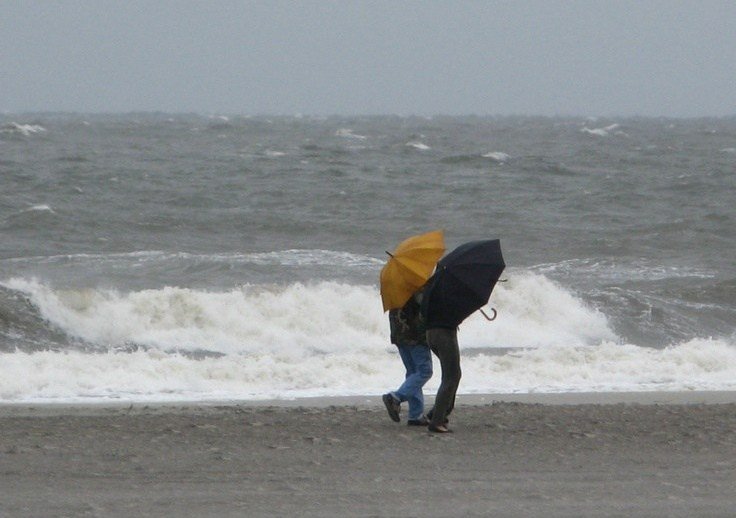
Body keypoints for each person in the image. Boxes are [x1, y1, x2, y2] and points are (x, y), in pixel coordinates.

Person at [382, 288, 433, 426]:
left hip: (399, 332)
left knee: (412, 372)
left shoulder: (396, 284)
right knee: (424, 371)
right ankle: (396, 397)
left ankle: (415, 414)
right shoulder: (417, 284)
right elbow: (424, 305)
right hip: (414, 333)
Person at [424, 326, 459, 433]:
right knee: (452, 375)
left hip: (431, 333)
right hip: (444, 332)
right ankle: (437, 420)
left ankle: (437, 413)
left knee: (453, 374)